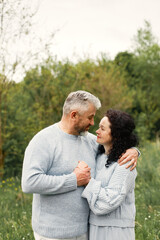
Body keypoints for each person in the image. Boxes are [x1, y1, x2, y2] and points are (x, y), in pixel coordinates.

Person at [21, 91, 139, 240]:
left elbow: (114, 146)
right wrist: (74, 180)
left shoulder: (90, 141)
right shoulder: (43, 140)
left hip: (87, 231)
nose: (92, 123)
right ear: (74, 115)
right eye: (90, 117)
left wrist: (133, 150)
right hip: (52, 234)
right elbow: (29, 183)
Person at [82, 109, 139, 240]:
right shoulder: (98, 155)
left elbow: (109, 202)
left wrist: (88, 182)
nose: (97, 131)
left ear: (116, 135)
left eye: (102, 128)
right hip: (94, 228)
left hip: (116, 231)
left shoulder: (125, 164)